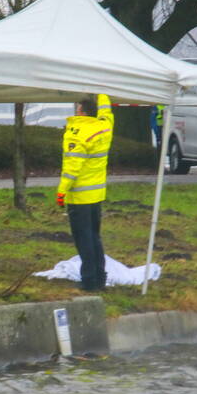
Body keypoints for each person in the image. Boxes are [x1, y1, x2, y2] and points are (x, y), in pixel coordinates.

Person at [57, 93, 114, 291]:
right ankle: (100, 277)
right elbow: (107, 112)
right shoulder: (104, 127)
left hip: (79, 195)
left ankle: (89, 280)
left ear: (81, 110)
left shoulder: (77, 131)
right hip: (96, 194)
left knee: (84, 239)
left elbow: (72, 166)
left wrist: (61, 191)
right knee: (95, 236)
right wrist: (103, 93)